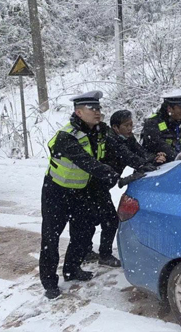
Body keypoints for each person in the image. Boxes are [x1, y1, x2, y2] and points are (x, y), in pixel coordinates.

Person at [40, 90, 128, 300]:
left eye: (98, 108)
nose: (98, 112)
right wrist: (116, 177)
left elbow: (122, 148)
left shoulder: (100, 130)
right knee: (51, 238)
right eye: (92, 109)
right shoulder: (66, 136)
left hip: (81, 192)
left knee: (82, 232)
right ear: (79, 112)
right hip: (56, 192)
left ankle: (71, 270)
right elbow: (87, 163)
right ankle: (50, 283)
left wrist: (144, 163)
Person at [83, 109, 163, 267]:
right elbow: (128, 157)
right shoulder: (111, 140)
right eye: (126, 125)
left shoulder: (127, 137)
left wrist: (155, 158)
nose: (130, 128)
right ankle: (103, 255)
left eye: (131, 124)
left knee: (91, 219)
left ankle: (86, 251)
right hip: (94, 184)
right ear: (115, 127)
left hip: (103, 185)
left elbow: (140, 152)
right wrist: (146, 166)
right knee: (108, 219)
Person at [141, 93, 181, 161]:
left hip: (177, 164)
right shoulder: (153, 123)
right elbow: (159, 144)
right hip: (156, 166)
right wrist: (176, 156)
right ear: (169, 109)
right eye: (180, 108)